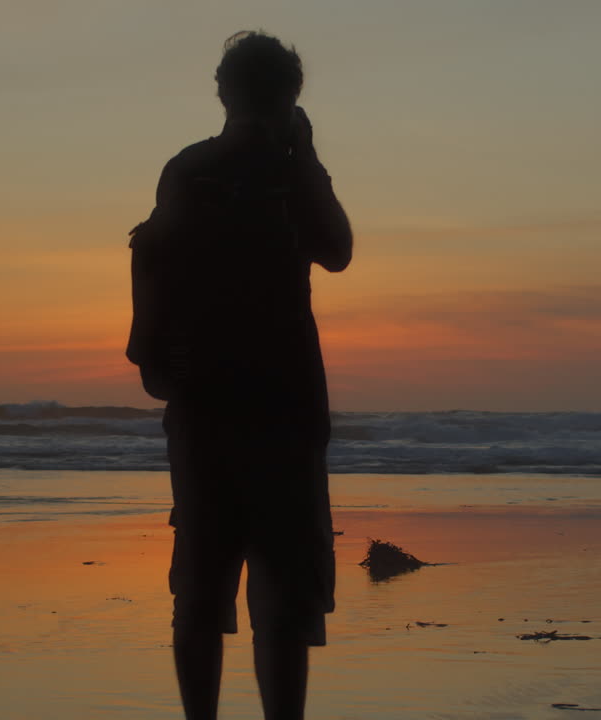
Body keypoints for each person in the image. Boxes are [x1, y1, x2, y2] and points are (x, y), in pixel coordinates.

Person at [125, 31, 352, 720]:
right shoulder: (276, 175)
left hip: (222, 405)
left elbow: (149, 256)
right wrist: (307, 155)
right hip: (267, 404)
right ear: (288, 99)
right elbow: (337, 250)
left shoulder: (199, 169)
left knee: (207, 584)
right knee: (268, 589)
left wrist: (150, 354)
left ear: (224, 92)